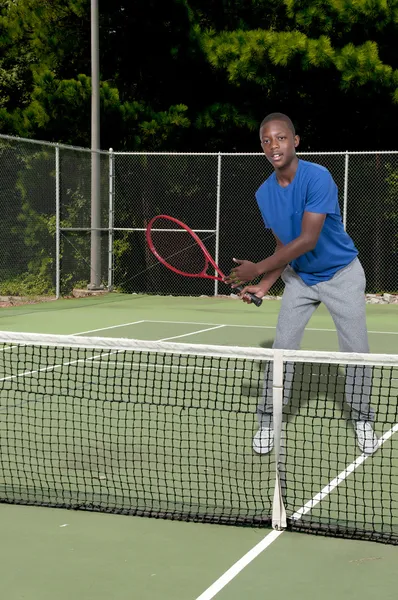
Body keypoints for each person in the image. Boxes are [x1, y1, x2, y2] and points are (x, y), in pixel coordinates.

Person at [226, 112, 378, 456]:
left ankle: (362, 418)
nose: (273, 145)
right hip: (300, 279)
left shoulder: (317, 177)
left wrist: (256, 269)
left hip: (342, 274)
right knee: (282, 351)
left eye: (280, 138)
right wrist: (265, 284)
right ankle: (268, 420)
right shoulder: (264, 193)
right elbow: (284, 246)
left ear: (295, 141)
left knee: (356, 352)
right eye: (266, 140)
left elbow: (308, 239)